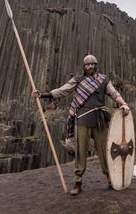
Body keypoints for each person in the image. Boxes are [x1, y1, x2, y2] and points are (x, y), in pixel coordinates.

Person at [32, 54, 130, 196]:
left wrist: (124, 103)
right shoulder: (78, 80)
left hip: (99, 120)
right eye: (87, 65)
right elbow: (62, 91)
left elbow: (114, 94)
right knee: (81, 151)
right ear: (84, 67)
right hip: (83, 119)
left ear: (96, 65)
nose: (90, 66)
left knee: (105, 151)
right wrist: (42, 95)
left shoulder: (104, 80)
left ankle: (111, 179)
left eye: (92, 64)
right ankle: (78, 182)